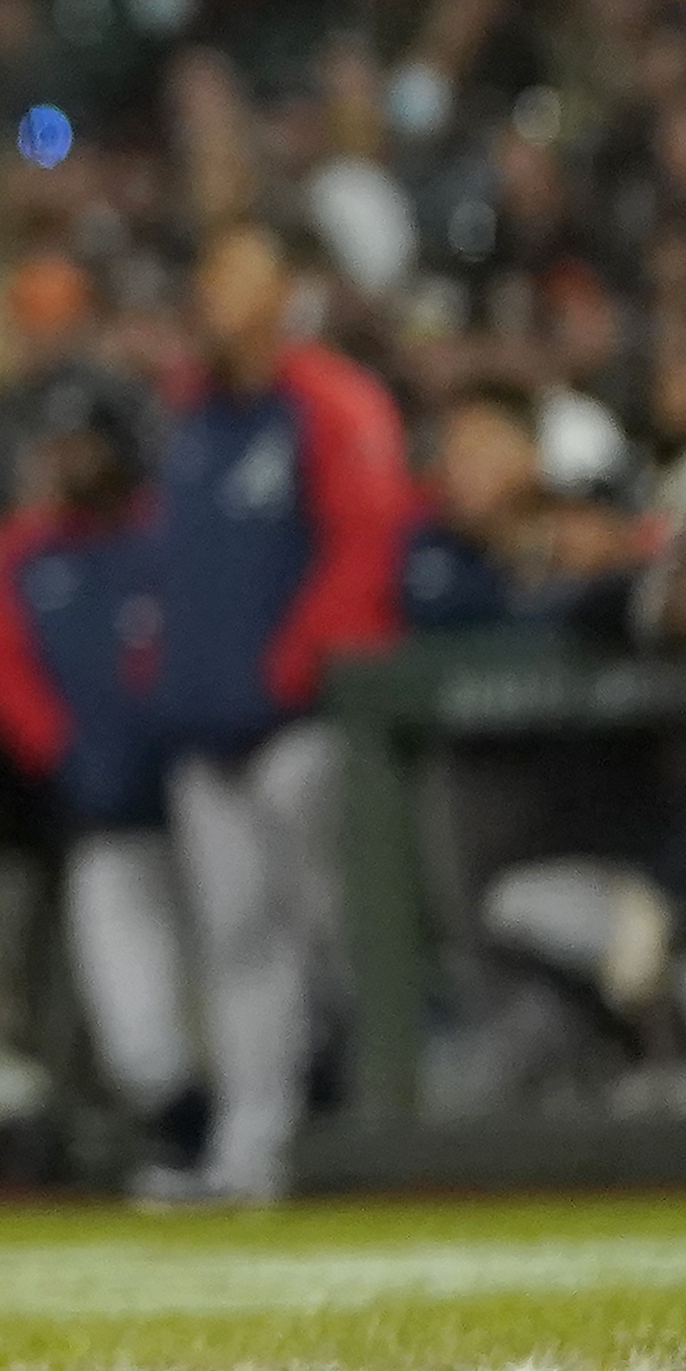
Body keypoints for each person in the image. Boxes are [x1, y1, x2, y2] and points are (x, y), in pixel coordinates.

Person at [143, 223, 415, 1200]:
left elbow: (364, 553)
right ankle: (249, 1153)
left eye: (233, 272)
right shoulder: (192, 416)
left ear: (282, 291)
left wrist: (284, 676)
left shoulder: (328, 402)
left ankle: (390, 1126)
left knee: (341, 939)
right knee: (238, 947)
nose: (211, 294)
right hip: (210, 732)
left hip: (306, 727)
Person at [0, 367, 205, 1187]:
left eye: (84, 444)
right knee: (135, 1018)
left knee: (245, 983)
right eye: (59, 445)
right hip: (104, 817)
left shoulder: (170, 534)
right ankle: (180, 1140)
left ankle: (259, 1145)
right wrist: (64, 754)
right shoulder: (25, 553)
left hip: (204, 793)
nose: (69, 461)